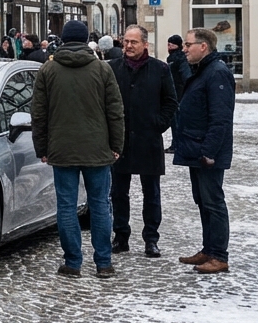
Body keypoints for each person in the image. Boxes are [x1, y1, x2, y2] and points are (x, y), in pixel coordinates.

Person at [31, 19, 125, 279]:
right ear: (86, 41)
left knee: (66, 206)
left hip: (61, 148)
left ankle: (72, 262)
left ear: (62, 39)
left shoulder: (48, 71)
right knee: (100, 205)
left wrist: (42, 146)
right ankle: (104, 263)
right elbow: (115, 111)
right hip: (98, 148)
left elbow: (38, 114)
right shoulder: (102, 70)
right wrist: (117, 144)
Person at [107, 25, 177, 259]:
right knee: (118, 192)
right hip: (120, 141)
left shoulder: (160, 69)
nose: (128, 46)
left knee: (152, 193)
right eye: (125, 41)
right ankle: (121, 236)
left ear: (145, 44)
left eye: (133, 42)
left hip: (148, 140)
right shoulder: (112, 69)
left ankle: (151, 239)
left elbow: (170, 102)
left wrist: (158, 124)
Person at [173, 27, 235, 274]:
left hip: (207, 153)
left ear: (203, 46)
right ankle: (209, 249)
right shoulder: (204, 70)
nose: (184, 49)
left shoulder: (217, 73)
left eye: (188, 45)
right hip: (196, 149)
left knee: (213, 203)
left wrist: (209, 152)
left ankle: (219, 255)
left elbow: (221, 118)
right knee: (203, 201)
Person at [165, 35, 191, 101]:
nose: (169, 47)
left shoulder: (176, 58)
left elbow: (186, 76)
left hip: (179, 90)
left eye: (170, 45)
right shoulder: (183, 56)